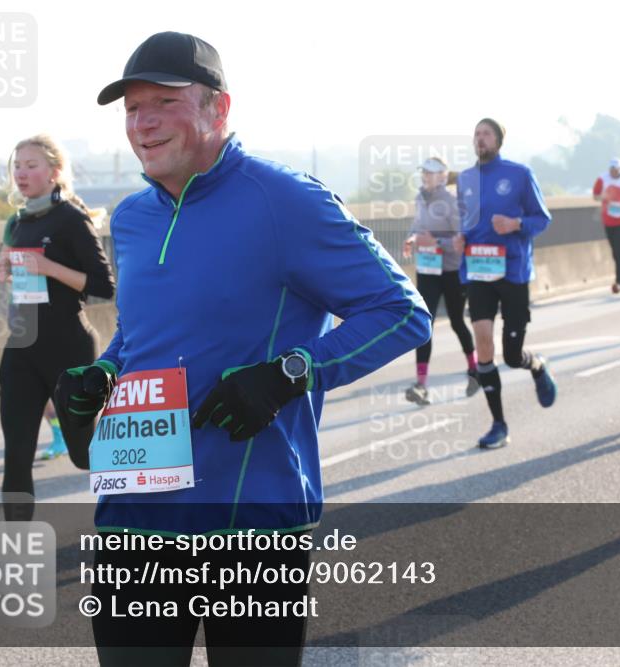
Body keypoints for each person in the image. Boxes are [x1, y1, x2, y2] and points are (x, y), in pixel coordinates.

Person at [57, 31, 430, 665]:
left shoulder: (287, 200)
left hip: (251, 520)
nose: (143, 123)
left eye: (163, 103)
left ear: (217, 108)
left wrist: (291, 373)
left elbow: (401, 314)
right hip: (135, 510)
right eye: (131, 108)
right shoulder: (130, 218)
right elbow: (143, 333)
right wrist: (101, 372)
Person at [0, 134, 115, 520]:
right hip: (23, 347)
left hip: (68, 348)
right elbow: (12, 265)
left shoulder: (72, 219)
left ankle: (139, 509)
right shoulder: (17, 221)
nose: (21, 174)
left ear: (54, 172)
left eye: (31, 166)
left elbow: (103, 286)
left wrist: (49, 269)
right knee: (16, 455)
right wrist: (4, 270)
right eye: (17, 166)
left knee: (82, 454)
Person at [457, 118, 556, 450]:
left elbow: (542, 219)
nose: (480, 139)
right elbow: (465, 221)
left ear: (499, 141)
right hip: (478, 272)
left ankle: (537, 365)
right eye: (476, 134)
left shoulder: (519, 174)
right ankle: (498, 424)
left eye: (486, 134)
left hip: (512, 272)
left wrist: (515, 223)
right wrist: (460, 239)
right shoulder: (466, 179)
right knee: (483, 342)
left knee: (512, 356)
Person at [402, 156, 478, 405]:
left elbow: (460, 240)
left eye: (431, 173)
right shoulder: (419, 198)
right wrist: (412, 240)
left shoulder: (452, 202)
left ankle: (475, 370)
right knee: (425, 324)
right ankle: (421, 385)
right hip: (427, 270)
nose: (425, 176)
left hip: (451, 271)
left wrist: (435, 243)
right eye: (423, 172)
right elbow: (417, 227)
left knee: (457, 321)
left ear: (443, 177)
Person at [593, 157, 620, 293]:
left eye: (616, 169)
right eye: (611, 169)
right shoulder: (602, 179)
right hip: (608, 220)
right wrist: (606, 196)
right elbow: (595, 196)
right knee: (614, 250)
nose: (613, 172)